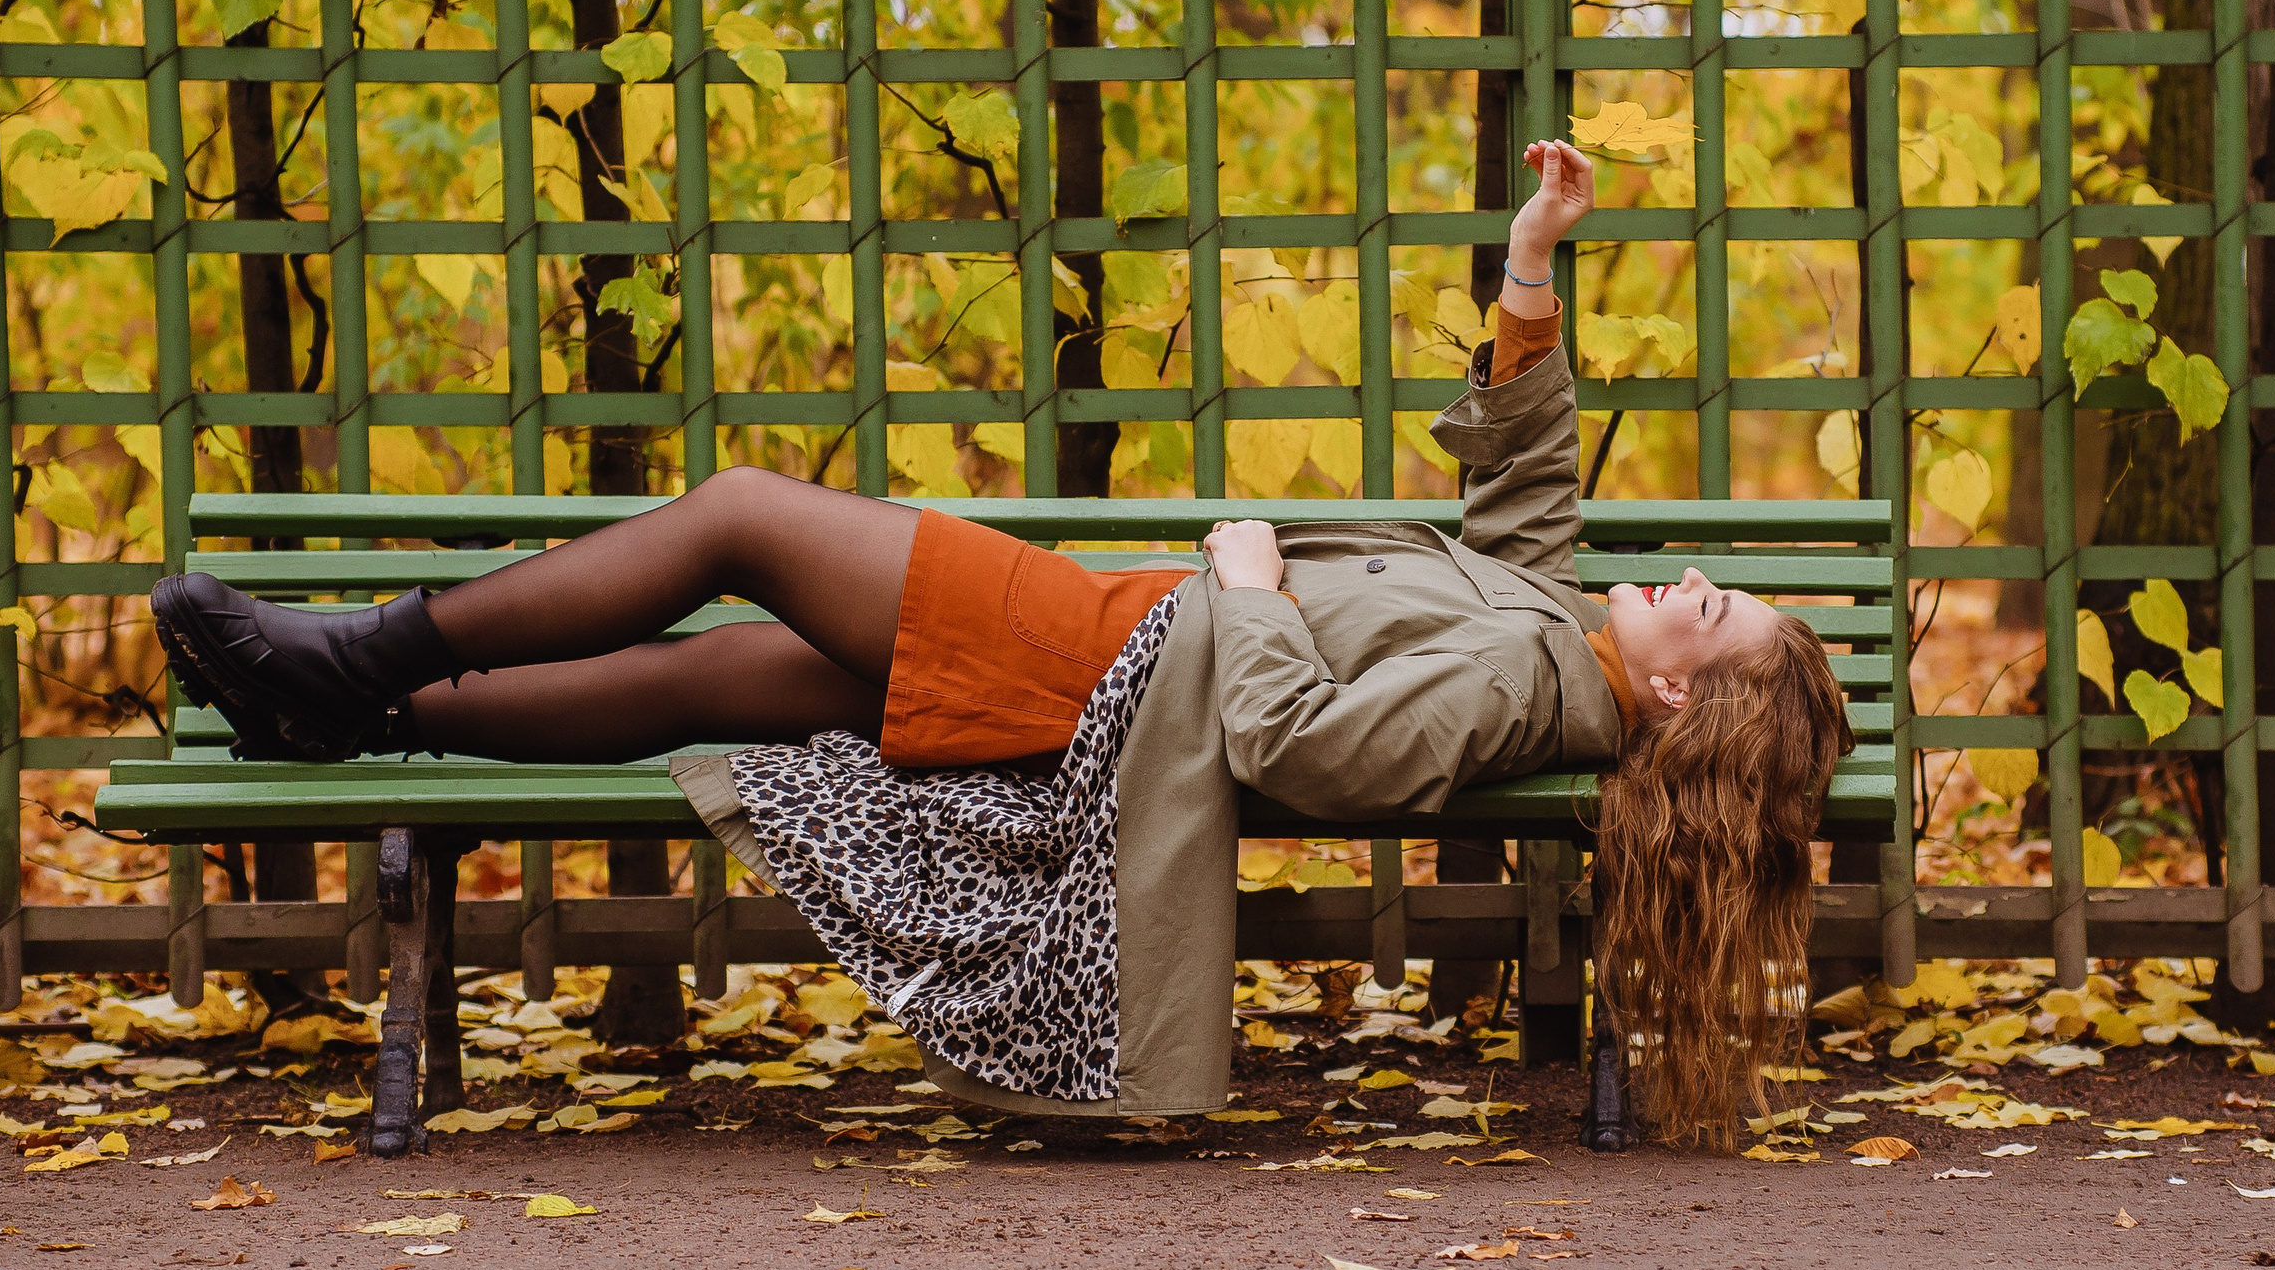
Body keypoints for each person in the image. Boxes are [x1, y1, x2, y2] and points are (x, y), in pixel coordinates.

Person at [149, 140, 1851, 1147]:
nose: (1678, 577)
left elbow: (1305, 752)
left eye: (1701, 605)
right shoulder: (1554, 630)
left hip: (1101, 660)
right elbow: (1529, 496)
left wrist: (1255, 592)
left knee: (742, 514)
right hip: (1105, 656)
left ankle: (351, 666)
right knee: (721, 678)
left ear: (1678, 690)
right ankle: (377, 716)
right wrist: (1535, 269)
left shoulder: (1526, 682)